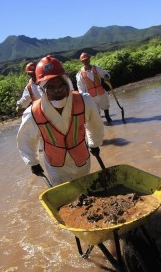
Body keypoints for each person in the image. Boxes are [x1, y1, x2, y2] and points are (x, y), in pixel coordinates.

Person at [17, 55, 104, 186]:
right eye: (51, 87)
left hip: (82, 160)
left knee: (86, 189)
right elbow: (26, 139)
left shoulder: (84, 101)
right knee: (66, 197)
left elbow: (95, 124)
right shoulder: (33, 113)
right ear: (42, 88)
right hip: (56, 167)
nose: (57, 90)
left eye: (60, 85)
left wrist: (94, 143)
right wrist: (33, 162)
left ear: (66, 82)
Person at [76, 52, 112, 123]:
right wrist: (83, 97)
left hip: (101, 92)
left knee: (105, 106)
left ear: (89, 59)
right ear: (82, 62)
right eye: (84, 60)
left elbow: (104, 74)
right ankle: (100, 124)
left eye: (87, 59)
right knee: (96, 112)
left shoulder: (96, 68)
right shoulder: (79, 74)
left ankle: (108, 118)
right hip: (91, 96)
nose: (86, 61)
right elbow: (80, 87)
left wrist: (106, 76)